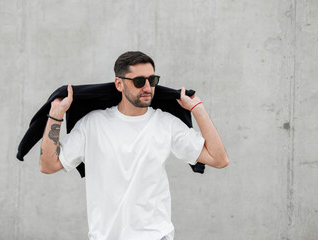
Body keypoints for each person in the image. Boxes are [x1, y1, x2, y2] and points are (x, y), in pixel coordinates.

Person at [39, 51, 229, 240]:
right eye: (139, 81)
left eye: (152, 80)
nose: (147, 87)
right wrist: (56, 114)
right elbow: (48, 165)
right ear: (119, 84)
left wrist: (198, 108)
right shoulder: (93, 124)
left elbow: (218, 159)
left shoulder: (165, 123)